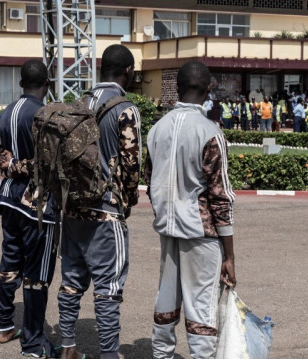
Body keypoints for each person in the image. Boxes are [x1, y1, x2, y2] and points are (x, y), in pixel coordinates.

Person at [145, 60, 236, 359]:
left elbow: (150, 181)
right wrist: (229, 254)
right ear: (209, 88)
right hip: (201, 234)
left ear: (178, 88)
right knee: (201, 313)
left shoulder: (156, 130)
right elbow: (220, 197)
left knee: (166, 302)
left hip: (168, 230)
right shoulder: (210, 132)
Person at [58, 44, 141, 359]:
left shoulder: (79, 102)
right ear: (128, 71)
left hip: (73, 211)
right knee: (108, 289)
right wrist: (128, 200)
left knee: (71, 282)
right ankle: (109, 355)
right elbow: (131, 165)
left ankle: (68, 346)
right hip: (106, 212)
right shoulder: (125, 109)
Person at [0, 60, 59, 356]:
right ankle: (33, 341)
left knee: (10, 261)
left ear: (20, 84)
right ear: (47, 83)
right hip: (37, 204)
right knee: (36, 275)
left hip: (8, 198)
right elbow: (49, 164)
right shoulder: (43, 115)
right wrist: (19, 165)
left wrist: (9, 165)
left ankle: (4, 325)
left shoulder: (5, 113)